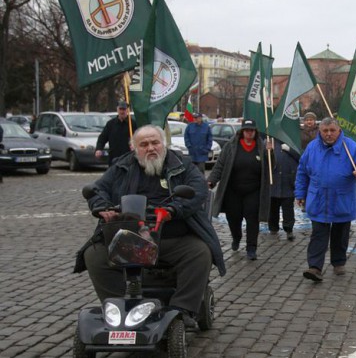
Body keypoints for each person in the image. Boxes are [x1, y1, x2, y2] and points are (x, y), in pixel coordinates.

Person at [81, 124, 225, 326]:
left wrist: (174, 209)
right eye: (144, 144)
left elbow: (198, 189)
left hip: (171, 236)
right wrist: (101, 207)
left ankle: (181, 310)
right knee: (93, 255)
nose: (150, 148)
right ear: (134, 148)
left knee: (200, 252)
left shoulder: (182, 164)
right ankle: (118, 305)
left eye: (155, 142)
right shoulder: (121, 166)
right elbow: (98, 189)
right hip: (129, 236)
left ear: (163, 144)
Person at [295, 117, 356, 282]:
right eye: (325, 131)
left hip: (341, 199)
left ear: (338, 131)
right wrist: (300, 193)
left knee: (340, 233)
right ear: (320, 132)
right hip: (318, 198)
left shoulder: (350, 146)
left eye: (332, 131)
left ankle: (338, 262)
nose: (329, 134)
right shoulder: (312, 148)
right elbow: (302, 171)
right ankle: (314, 267)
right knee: (318, 234)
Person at [207, 119, 271, 260]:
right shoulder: (231, 146)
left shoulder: (262, 147)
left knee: (252, 219)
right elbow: (220, 165)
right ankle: (236, 236)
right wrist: (211, 180)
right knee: (233, 218)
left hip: (253, 190)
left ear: (255, 132)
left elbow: (271, 168)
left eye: (252, 130)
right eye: (247, 130)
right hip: (233, 190)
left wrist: (270, 153)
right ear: (242, 131)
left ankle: (251, 248)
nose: (249, 133)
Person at [268, 138, 300, 241]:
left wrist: (290, 150)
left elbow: (300, 157)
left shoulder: (293, 142)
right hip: (273, 181)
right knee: (273, 208)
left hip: (288, 182)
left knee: (288, 209)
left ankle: (289, 229)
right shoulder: (269, 141)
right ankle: (273, 228)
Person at [95, 101, 137, 166]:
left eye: (124, 109)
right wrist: (99, 149)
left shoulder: (133, 124)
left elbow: (139, 139)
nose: (122, 111)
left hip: (128, 157)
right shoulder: (111, 124)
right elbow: (102, 138)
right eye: (120, 109)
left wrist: (135, 146)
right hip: (114, 157)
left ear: (127, 110)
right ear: (117, 109)